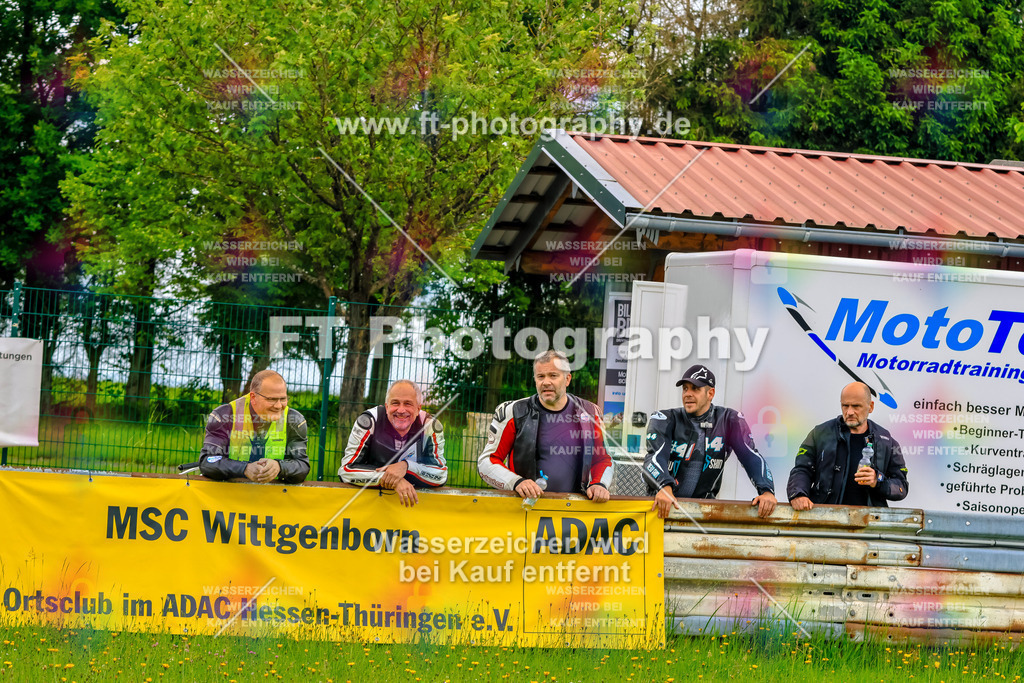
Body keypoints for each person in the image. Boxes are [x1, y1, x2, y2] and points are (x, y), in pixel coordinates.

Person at [478, 350, 613, 502]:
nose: (546, 382)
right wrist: (516, 482)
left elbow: (603, 459)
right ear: (535, 379)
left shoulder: (590, 413)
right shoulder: (513, 412)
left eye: (553, 376)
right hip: (524, 509)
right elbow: (487, 462)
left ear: (567, 379)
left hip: (575, 512)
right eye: (540, 376)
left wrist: (599, 484)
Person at [645, 364, 777, 519]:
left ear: (710, 393)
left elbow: (751, 457)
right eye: (685, 388)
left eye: (695, 389)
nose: (688, 394)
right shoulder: (664, 419)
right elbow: (653, 458)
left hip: (703, 511)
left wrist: (767, 491)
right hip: (662, 507)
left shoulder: (729, 420)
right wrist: (664, 486)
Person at [788, 382, 909, 510]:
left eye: (856, 406)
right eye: (845, 406)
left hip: (870, 523)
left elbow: (901, 486)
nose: (849, 412)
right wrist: (799, 494)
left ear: (871, 407)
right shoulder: (820, 433)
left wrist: (877, 480)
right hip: (825, 519)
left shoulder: (886, 441)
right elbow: (802, 469)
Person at [339, 380, 447, 507]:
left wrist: (406, 467)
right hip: (369, 504)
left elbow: (441, 475)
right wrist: (392, 479)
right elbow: (346, 470)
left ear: (418, 409)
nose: (401, 410)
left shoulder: (430, 426)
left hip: (415, 506)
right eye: (395, 403)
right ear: (387, 407)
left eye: (408, 404)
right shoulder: (369, 421)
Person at [199, 369, 309, 484]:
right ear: (253, 397)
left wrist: (279, 467)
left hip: (273, 496)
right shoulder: (224, 416)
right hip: (228, 495)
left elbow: (302, 465)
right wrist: (244, 468)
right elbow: (207, 461)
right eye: (271, 399)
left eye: (283, 399)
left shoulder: (294, 421)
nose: (278, 406)